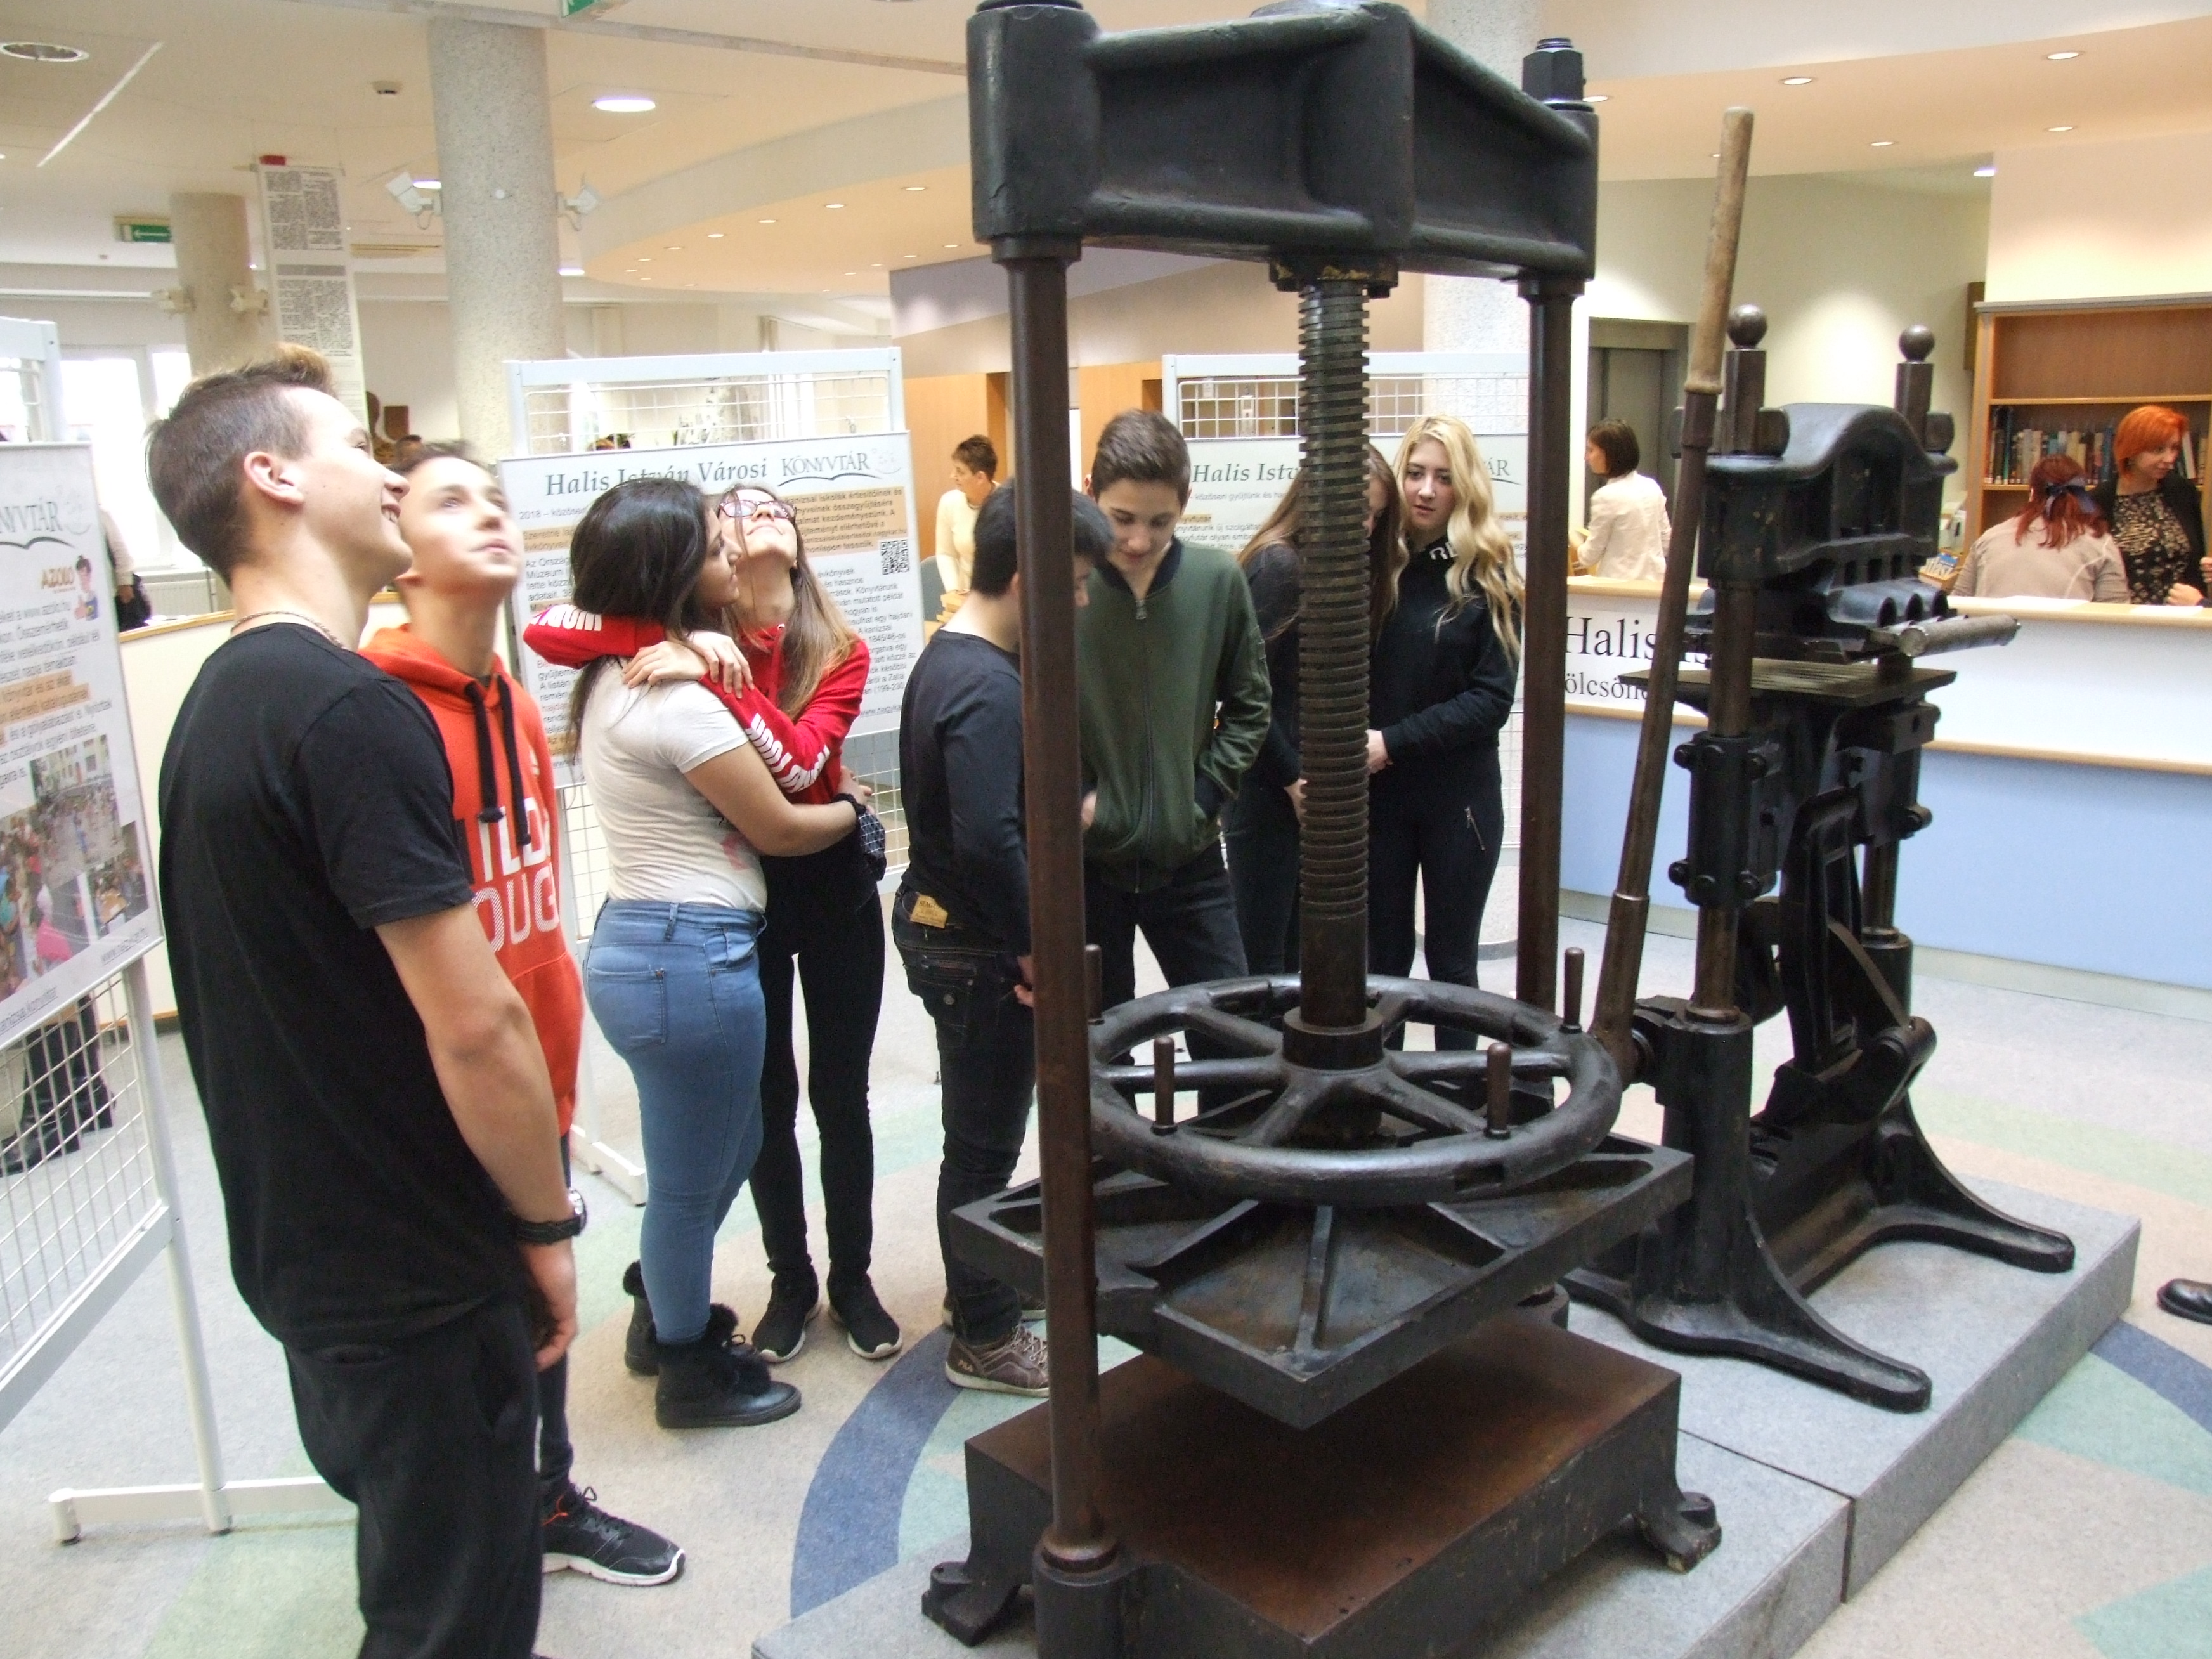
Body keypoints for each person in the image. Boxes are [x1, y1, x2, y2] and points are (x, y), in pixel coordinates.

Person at [149, 348, 580, 1658]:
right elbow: (476, 1023)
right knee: (452, 1617)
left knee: (420, 1573)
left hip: (316, 1248)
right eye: (355, 447)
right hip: (410, 1266)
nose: (391, 474)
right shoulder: (347, 711)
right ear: (271, 476)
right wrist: (543, 1224)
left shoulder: (224, 702)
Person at [363, 442, 684, 1588]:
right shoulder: (377, 713)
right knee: (478, 1326)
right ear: (396, 548)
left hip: (537, 1057)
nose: (491, 514)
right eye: (452, 501)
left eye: (496, 498)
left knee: (542, 1304)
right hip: (447, 1080)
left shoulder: (507, 691)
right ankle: (481, 1538)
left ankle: (547, 1497)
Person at [529, 483, 897, 1368]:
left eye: (776, 509)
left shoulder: (839, 650)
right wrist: (672, 643)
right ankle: (790, 1282)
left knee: (841, 1096)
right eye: (738, 512)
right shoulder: (689, 634)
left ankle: (853, 1280)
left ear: (799, 543)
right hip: (749, 898)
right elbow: (546, 628)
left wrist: (704, 669)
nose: (756, 517)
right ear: (715, 550)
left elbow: (804, 766)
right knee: (765, 1106)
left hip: (833, 887)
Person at [897, 484, 1110, 1394]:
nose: (1082, 601)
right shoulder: (983, 685)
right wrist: (1038, 955)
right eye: (1074, 583)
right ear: (1027, 579)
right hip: (977, 950)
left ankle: (978, 1285)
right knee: (982, 1148)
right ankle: (983, 1335)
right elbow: (988, 840)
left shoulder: (959, 659)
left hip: (960, 936)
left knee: (979, 1136)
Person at [1079, 409, 1271, 1022]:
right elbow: (1021, 712)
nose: (1139, 541)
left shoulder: (1218, 581)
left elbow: (1250, 704)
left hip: (1191, 859)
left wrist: (1205, 795)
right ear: (1091, 492)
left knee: (1234, 1032)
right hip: (1086, 866)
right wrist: (1076, 796)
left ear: (1185, 504)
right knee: (1095, 1043)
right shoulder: (1059, 589)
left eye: (1160, 522)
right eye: (1122, 518)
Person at [1224, 448, 1405, 976]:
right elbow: (1247, 694)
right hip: (1267, 792)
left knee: (1299, 956)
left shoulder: (1330, 570)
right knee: (1264, 965)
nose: (1367, 527)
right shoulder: (1280, 567)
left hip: (1303, 792)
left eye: (1376, 516)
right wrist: (1292, 779)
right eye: (1359, 511)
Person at [1373, 414, 1521, 1033]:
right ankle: (1374, 1088)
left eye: (1443, 477)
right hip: (1381, 801)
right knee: (1380, 967)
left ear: (1466, 487)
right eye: (1414, 473)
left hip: (1459, 803)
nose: (1426, 490)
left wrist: (1391, 742)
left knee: (1452, 968)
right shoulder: (1376, 568)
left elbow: (1490, 700)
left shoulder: (1488, 576)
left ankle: (1455, 1088)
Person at [1953, 455, 2128, 602]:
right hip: (2063, 633)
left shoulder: (1989, 538)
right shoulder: (2099, 545)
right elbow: (2115, 617)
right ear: (2081, 494)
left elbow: (1957, 604)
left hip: (1993, 632)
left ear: (2032, 492)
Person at [2089, 405, 2207, 606]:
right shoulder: (2098, 501)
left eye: (2174, 448)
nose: (2170, 459)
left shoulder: (2182, 492)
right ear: (2131, 451)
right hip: (2120, 617)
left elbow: (2196, 560)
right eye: (2158, 450)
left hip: (2181, 616)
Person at [1575, 419, 1670, 582]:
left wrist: (1575, 541)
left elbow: (1589, 557)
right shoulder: (1652, 486)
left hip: (1618, 588)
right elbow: (1667, 543)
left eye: (1591, 450)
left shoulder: (1605, 497)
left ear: (1609, 454)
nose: (1586, 457)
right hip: (1656, 586)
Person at [933, 435, 999, 604]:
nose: (953, 476)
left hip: (1004, 599)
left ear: (980, 478)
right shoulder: (949, 502)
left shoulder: (1010, 502)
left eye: (960, 472)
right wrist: (953, 591)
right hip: (966, 599)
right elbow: (946, 553)